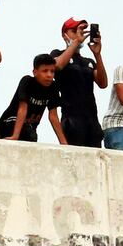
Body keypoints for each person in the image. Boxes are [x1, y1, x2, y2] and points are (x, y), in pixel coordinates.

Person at [50, 17, 108, 148]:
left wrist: (97, 55)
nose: (79, 33)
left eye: (81, 30)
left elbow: (103, 83)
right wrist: (75, 42)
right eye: (74, 30)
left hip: (92, 120)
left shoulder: (88, 61)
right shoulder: (57, 53)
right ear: (64, 34)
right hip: (72, 120)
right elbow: (57, 66)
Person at [0, 54, 68, 144]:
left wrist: (63, 142)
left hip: (29, 128)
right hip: (10, 123)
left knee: (30, 135)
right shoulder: (27, 81)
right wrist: (15, 136)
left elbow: (53, 116)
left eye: (52, 71)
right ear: (35, 72)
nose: (49, 75)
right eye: (45, 71)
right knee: (26, 132)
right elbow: (22, 108)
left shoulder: (53, 87)